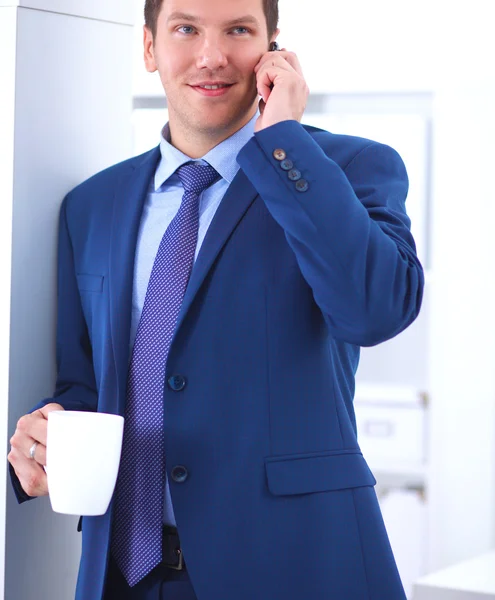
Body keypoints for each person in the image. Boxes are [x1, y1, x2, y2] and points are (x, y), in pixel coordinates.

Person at [8, 0, 424, 598]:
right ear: (149, 48)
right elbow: (87, 384)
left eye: (238, 30)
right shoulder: (91, 205)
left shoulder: (347, 167)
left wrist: (282, 138)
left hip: (296, 567)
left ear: (273, 50)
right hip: (125, 575)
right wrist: (43, 438)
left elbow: (374, 310)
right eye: (185, 29)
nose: (212, 55)